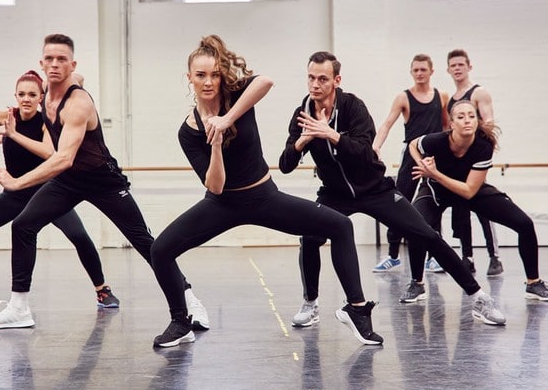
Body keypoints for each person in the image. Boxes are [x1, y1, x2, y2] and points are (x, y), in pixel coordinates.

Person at [150, 35, 384, 348]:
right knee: (160, 250)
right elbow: (215, 186)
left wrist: (226, 119)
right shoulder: (189, 130)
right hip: (222, 204)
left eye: (215, 74)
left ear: (222, 76)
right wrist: (216, 143)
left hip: (264, 197)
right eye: (200, 75)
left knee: (341, 225)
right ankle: (181, 321)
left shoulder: (237, 96)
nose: (208, 82)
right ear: (189, 78)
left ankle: (355, 309)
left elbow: (266, 81)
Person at [0, 34, 207, 330]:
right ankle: (18, 308)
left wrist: (17, 182)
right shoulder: (46, 91)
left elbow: (63, 159)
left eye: (63, 60)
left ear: (72, 64)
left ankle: (190, 300)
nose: (55, 64)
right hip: (69, 182)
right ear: (41, 64)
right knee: (23, 225)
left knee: (146, 243)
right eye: (50, 59)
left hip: (103, 181)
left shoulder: (78, 104)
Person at [279, 51, 506, 327]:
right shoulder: (302, 114)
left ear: (336, 80)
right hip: (335, 194)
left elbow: (365, 153)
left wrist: (332, 135)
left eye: (323, 79)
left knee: (427, 234)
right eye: (311, 78)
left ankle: (479, 297)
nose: (315, 84)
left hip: (375, 189)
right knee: (309, 238)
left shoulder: (352, 107)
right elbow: (286, 165)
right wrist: (303, 141)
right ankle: (311, 303)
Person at [0, 70, 119, 310]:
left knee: (79, 237)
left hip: (48, 194)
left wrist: (13, 134)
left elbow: (49, 153)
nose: (26, 99)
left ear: (41, 97)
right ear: (15, 96)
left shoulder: (46, 121)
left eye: (32, 94)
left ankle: (102, 289)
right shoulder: (9, 117)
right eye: (21, 94)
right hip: (15, 194)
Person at [409, 100, 548, 303]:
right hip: (436, 190)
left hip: (468, 189)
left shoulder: (483, 146)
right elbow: (413, 145)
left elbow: (469, 191)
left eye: (471, 116)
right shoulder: (436, 141)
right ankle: (416, 284)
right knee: (416, 226)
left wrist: (434, 173)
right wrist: (423, 166)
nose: (467, 120)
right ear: (451, 123)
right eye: (460, 117)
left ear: (477, 121)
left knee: (524, 223)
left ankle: (533, 283)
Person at [371, 53, 448, 272]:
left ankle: (434, 256)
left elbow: (446, 126)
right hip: (410, 156)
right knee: (398, 201)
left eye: (423, 69)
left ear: (431, 71)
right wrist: (376, 146)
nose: (419, 73)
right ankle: (393, 254)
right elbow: (387, 123)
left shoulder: (441, 96)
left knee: (434, 203)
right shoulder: (403, 98)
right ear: (411, 72)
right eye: (415, 70)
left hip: (433, 157)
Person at [446, 49, 503, 277]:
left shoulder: (479, 93)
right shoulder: (452, 99)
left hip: (475, 159)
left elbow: (489, 124)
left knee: (482, 207)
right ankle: (467, 257)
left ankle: (494, 257)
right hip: (457, 161)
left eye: (461, 64)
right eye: (453, 65)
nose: (457, 68)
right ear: (448, 69)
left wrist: (480, 155)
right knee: (460, 208)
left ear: (469, 66)